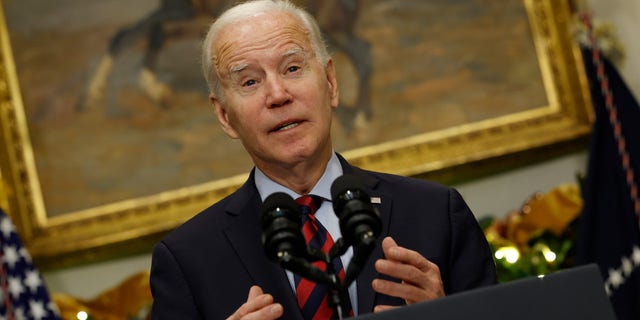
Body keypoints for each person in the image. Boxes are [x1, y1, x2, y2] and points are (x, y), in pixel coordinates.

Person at [149, 0, 497, 319]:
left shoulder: (435, 213)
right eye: (250, 81)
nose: (278, 95)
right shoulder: (186, 260)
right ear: (225, 115)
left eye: (292, 68)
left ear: (330, 82)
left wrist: (448, 313)